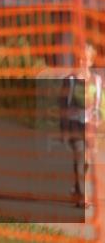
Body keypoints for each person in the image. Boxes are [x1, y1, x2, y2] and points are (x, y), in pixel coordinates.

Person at [61, 43, 102, 206]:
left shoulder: (97, 81)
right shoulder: (70, 81)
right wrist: (63, 130)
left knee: (86, 161)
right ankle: (82, 197)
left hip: (90, 126)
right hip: (74, 125)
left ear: (91, 62)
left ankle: (77, 188)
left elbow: (99, 105)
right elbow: (62, 107)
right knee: (79, 159)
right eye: (78, 59)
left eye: (85, 59)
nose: (81, 62)